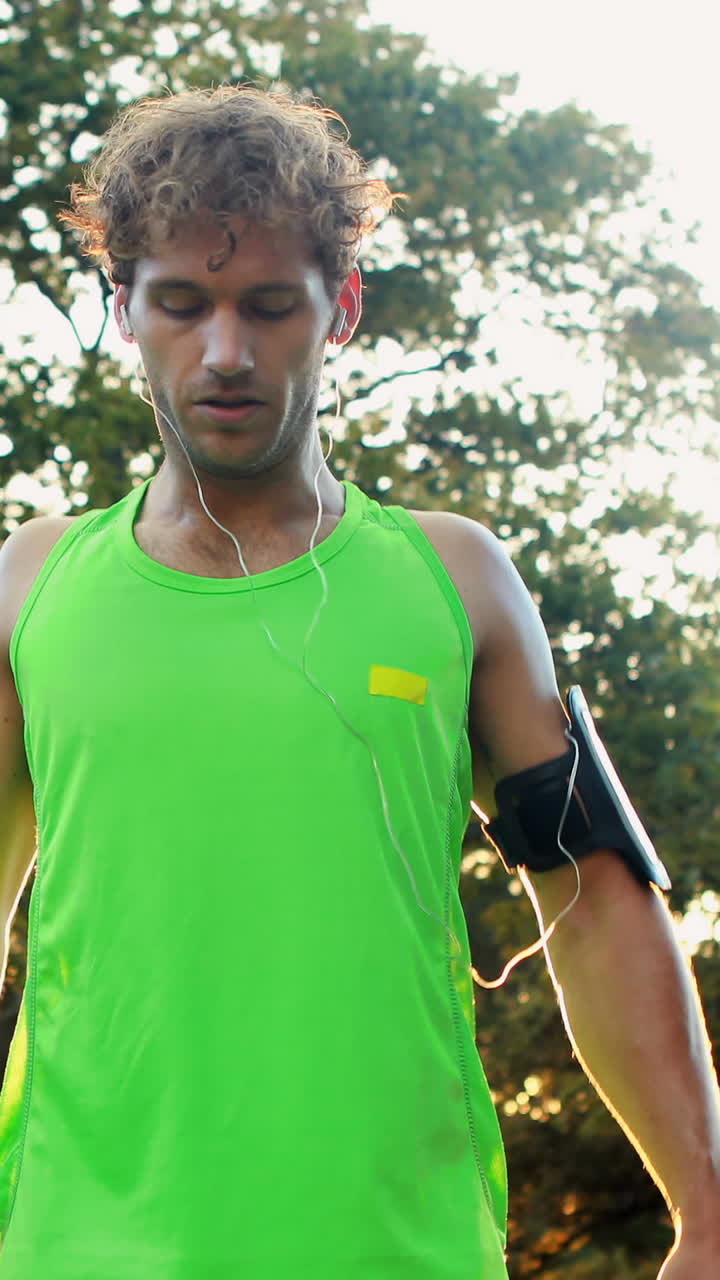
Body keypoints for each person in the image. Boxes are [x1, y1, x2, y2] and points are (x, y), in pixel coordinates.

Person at [0, 82, 717, 1280]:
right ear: (121, 306)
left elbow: (597, 898)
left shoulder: (457, 580)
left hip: (398, 1247)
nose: (225, 351)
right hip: (81, 1246)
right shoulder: (28, 586)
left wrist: (706, 1206)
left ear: (341, 312)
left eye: (271, 305)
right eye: (180, 303)